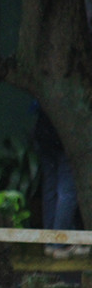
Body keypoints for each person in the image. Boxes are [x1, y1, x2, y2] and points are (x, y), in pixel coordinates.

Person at [33, 107, 88, 260]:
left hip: (44, 135)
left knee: (50, 189)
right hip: (64, 140)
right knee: (67, 192)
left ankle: (50, 242)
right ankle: (61, 244)